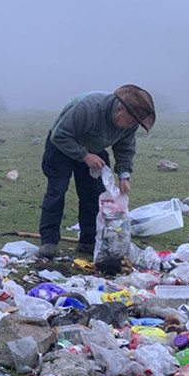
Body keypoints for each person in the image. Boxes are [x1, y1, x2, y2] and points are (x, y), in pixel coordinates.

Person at [37, 84, 156, 259]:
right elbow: (60, 135)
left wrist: (124, 175)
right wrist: (84, 155)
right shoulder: (88, 108)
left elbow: (125, 148)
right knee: (57, 192)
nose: (130, 126)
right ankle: (49, 241)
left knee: (94, 195)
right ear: (119, 110)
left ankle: (89, 241)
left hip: (94, 149)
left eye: (134, 124)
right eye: (130, 121)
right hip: (62, 146)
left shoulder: (130, 125)